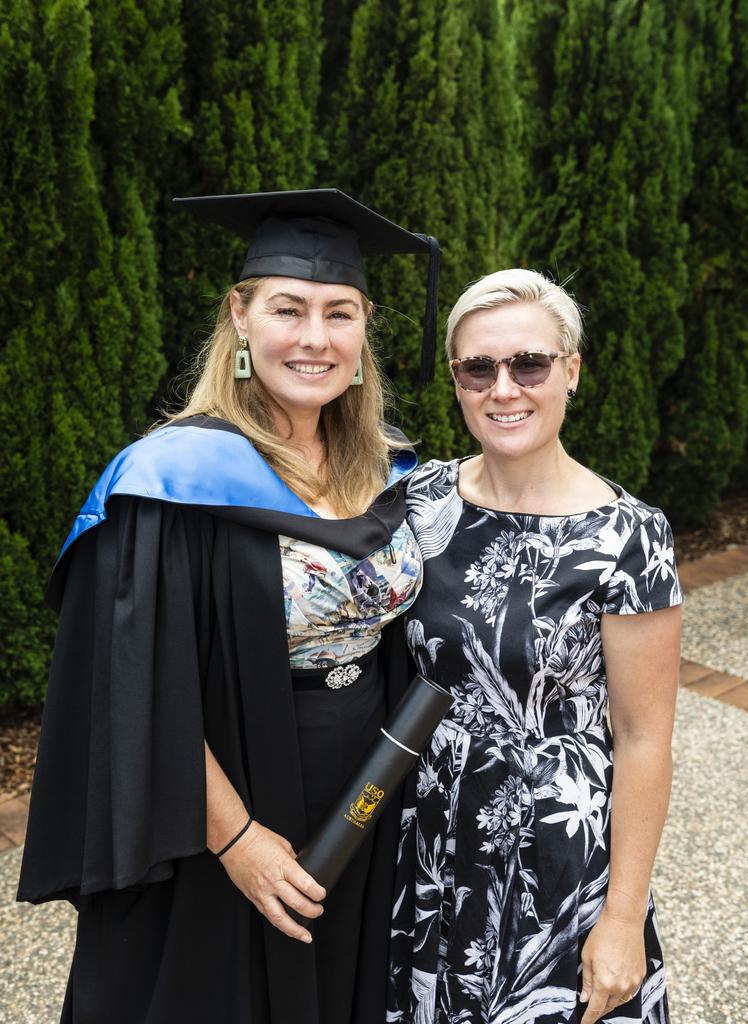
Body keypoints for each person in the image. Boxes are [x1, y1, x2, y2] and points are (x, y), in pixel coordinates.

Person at [18, 189, 442, 1024]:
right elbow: (134, 683)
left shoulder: (380, 465)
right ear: (240, 318)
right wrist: (236, 840)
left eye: (339, 313)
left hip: (364, 792)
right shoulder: (172, 480)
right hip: (220, 800)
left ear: (365, 331)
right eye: (288, 309)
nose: (314, 338)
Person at [388, 269, 682, 1024]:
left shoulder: (629, 537)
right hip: (430, 839)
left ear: (571, 370)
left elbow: (645, 739)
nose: (504, 388)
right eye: (478, 368)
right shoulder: (419, 501)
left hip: (559, 856)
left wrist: (620, 920)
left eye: (530, 363)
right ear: (455, 380)